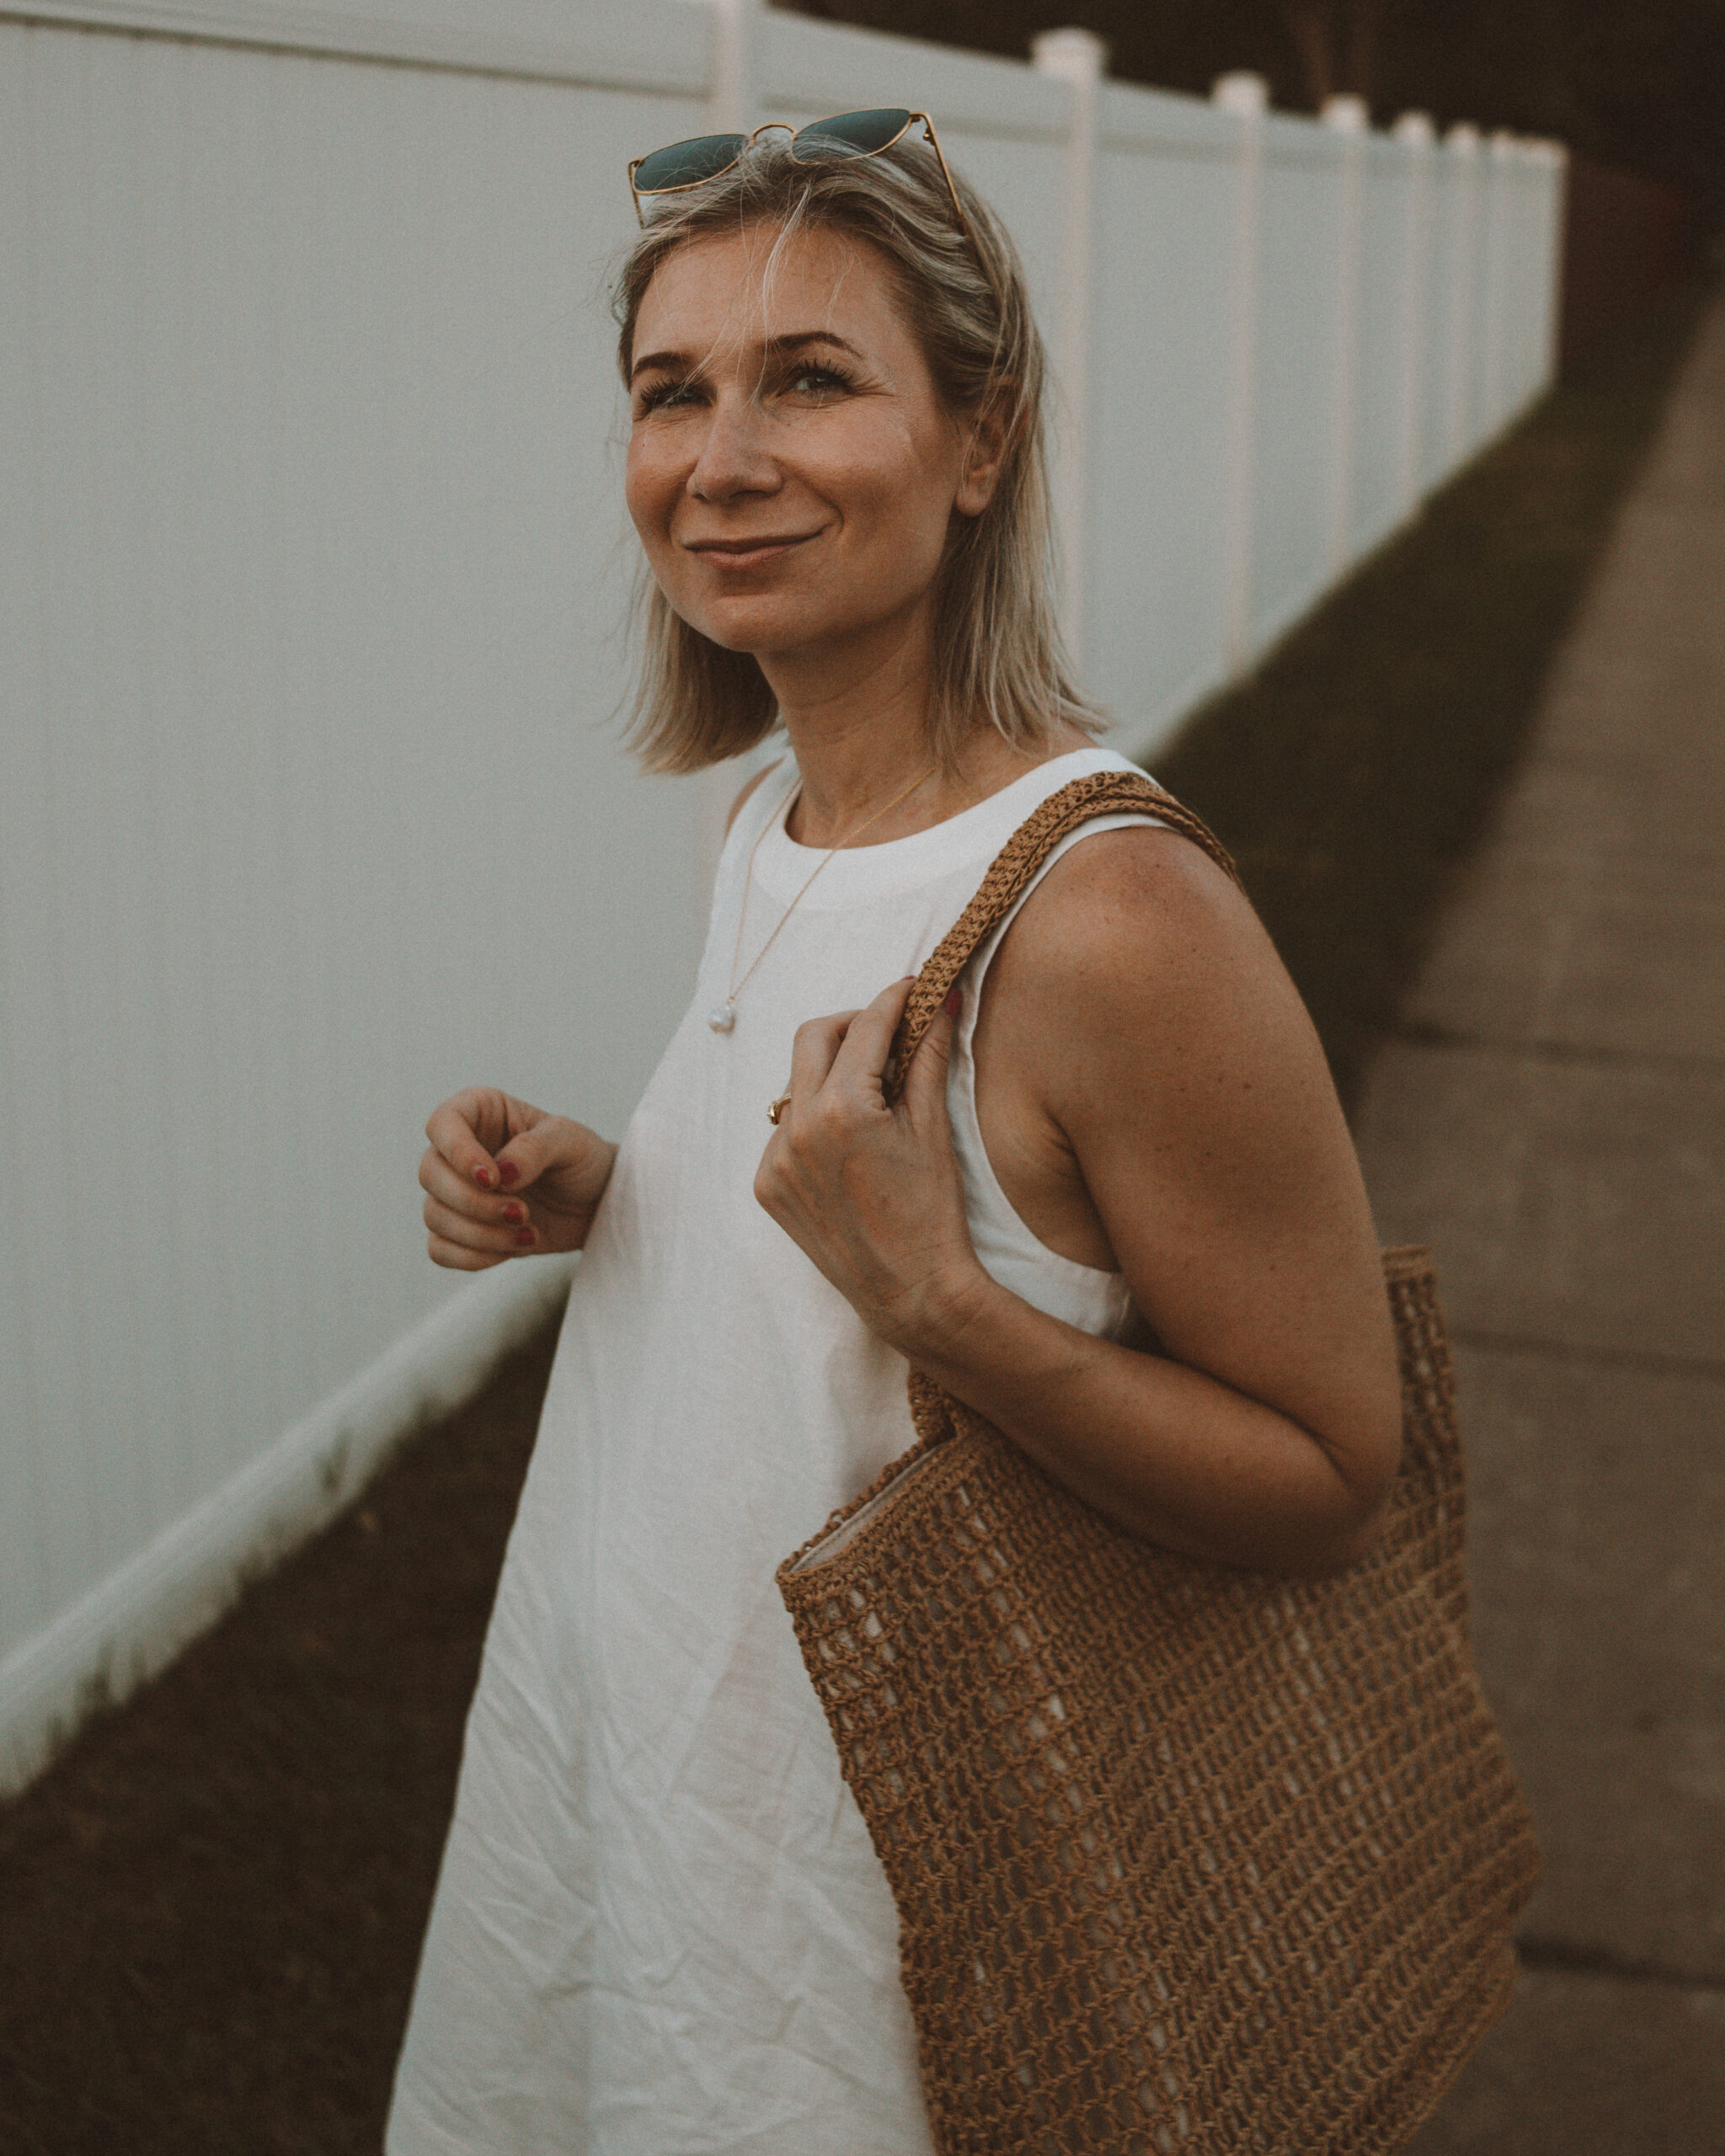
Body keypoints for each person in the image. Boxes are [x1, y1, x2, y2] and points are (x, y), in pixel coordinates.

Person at [387, 115, 1402, 2156]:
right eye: (671, 392)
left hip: (896, 1893)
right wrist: (634, 1192)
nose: (720, 457)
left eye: (812, 378)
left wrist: (937, 1298)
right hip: (672, 1778)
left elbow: (1327, 1475)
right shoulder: (783, 810)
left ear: (977, 438)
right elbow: (830, 1244)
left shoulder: (1106, 910)